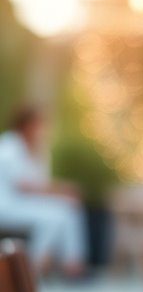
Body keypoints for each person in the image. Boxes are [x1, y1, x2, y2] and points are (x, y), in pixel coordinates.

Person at [0, 106, 87, 277]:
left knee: (69, 208)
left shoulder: (40, 149)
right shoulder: (8, 146)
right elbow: (24, 186)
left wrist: (62, 193)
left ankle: (73, 265)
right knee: (54, 217)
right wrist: (61, 189)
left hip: (26, 204)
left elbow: (41, 183)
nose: (42, 129)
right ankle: (30, 269)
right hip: (7, 205)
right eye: (38, 124)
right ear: (26, 125)